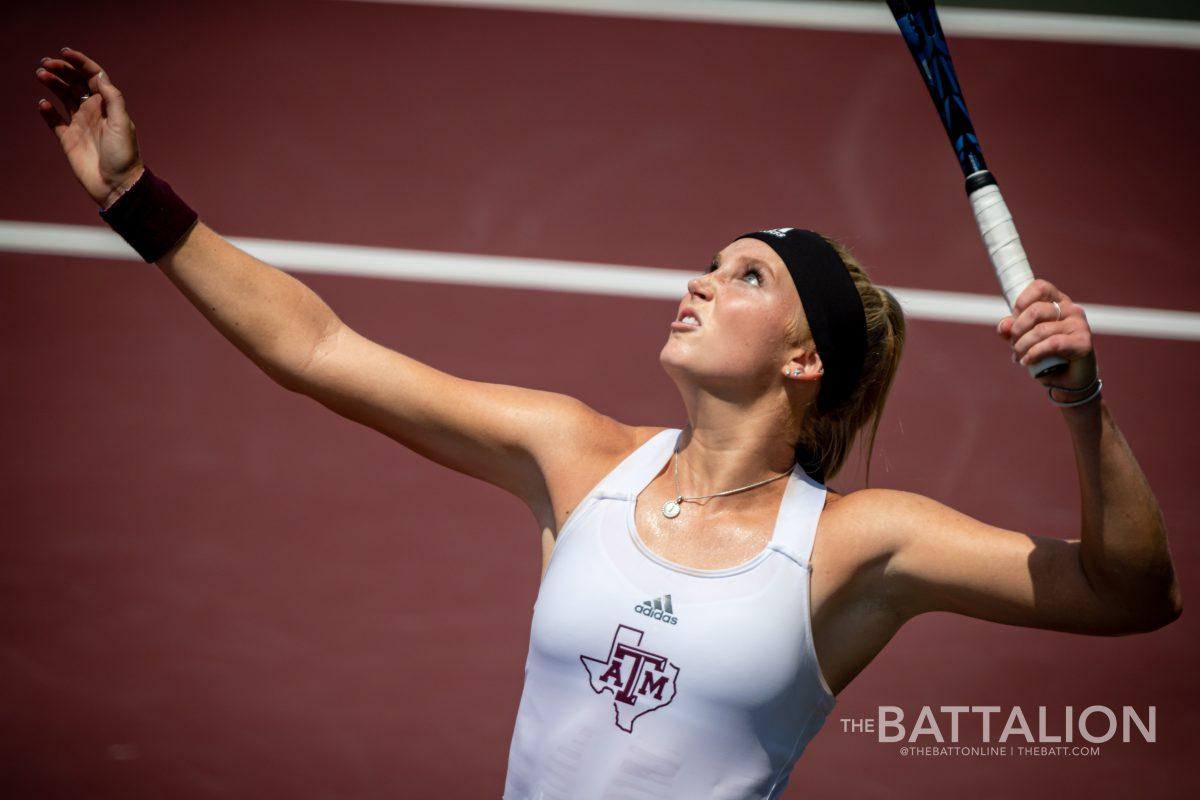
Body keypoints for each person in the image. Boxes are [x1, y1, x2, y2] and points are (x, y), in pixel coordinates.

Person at [36, 47, 1182, 799]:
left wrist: (1080, 402)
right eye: (707, 264)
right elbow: (320, 350)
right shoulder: (575, 454)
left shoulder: (856, 545)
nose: (695, 283)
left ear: (802, 356)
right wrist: (138, 201)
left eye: (742, 278)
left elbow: (1131, 595)